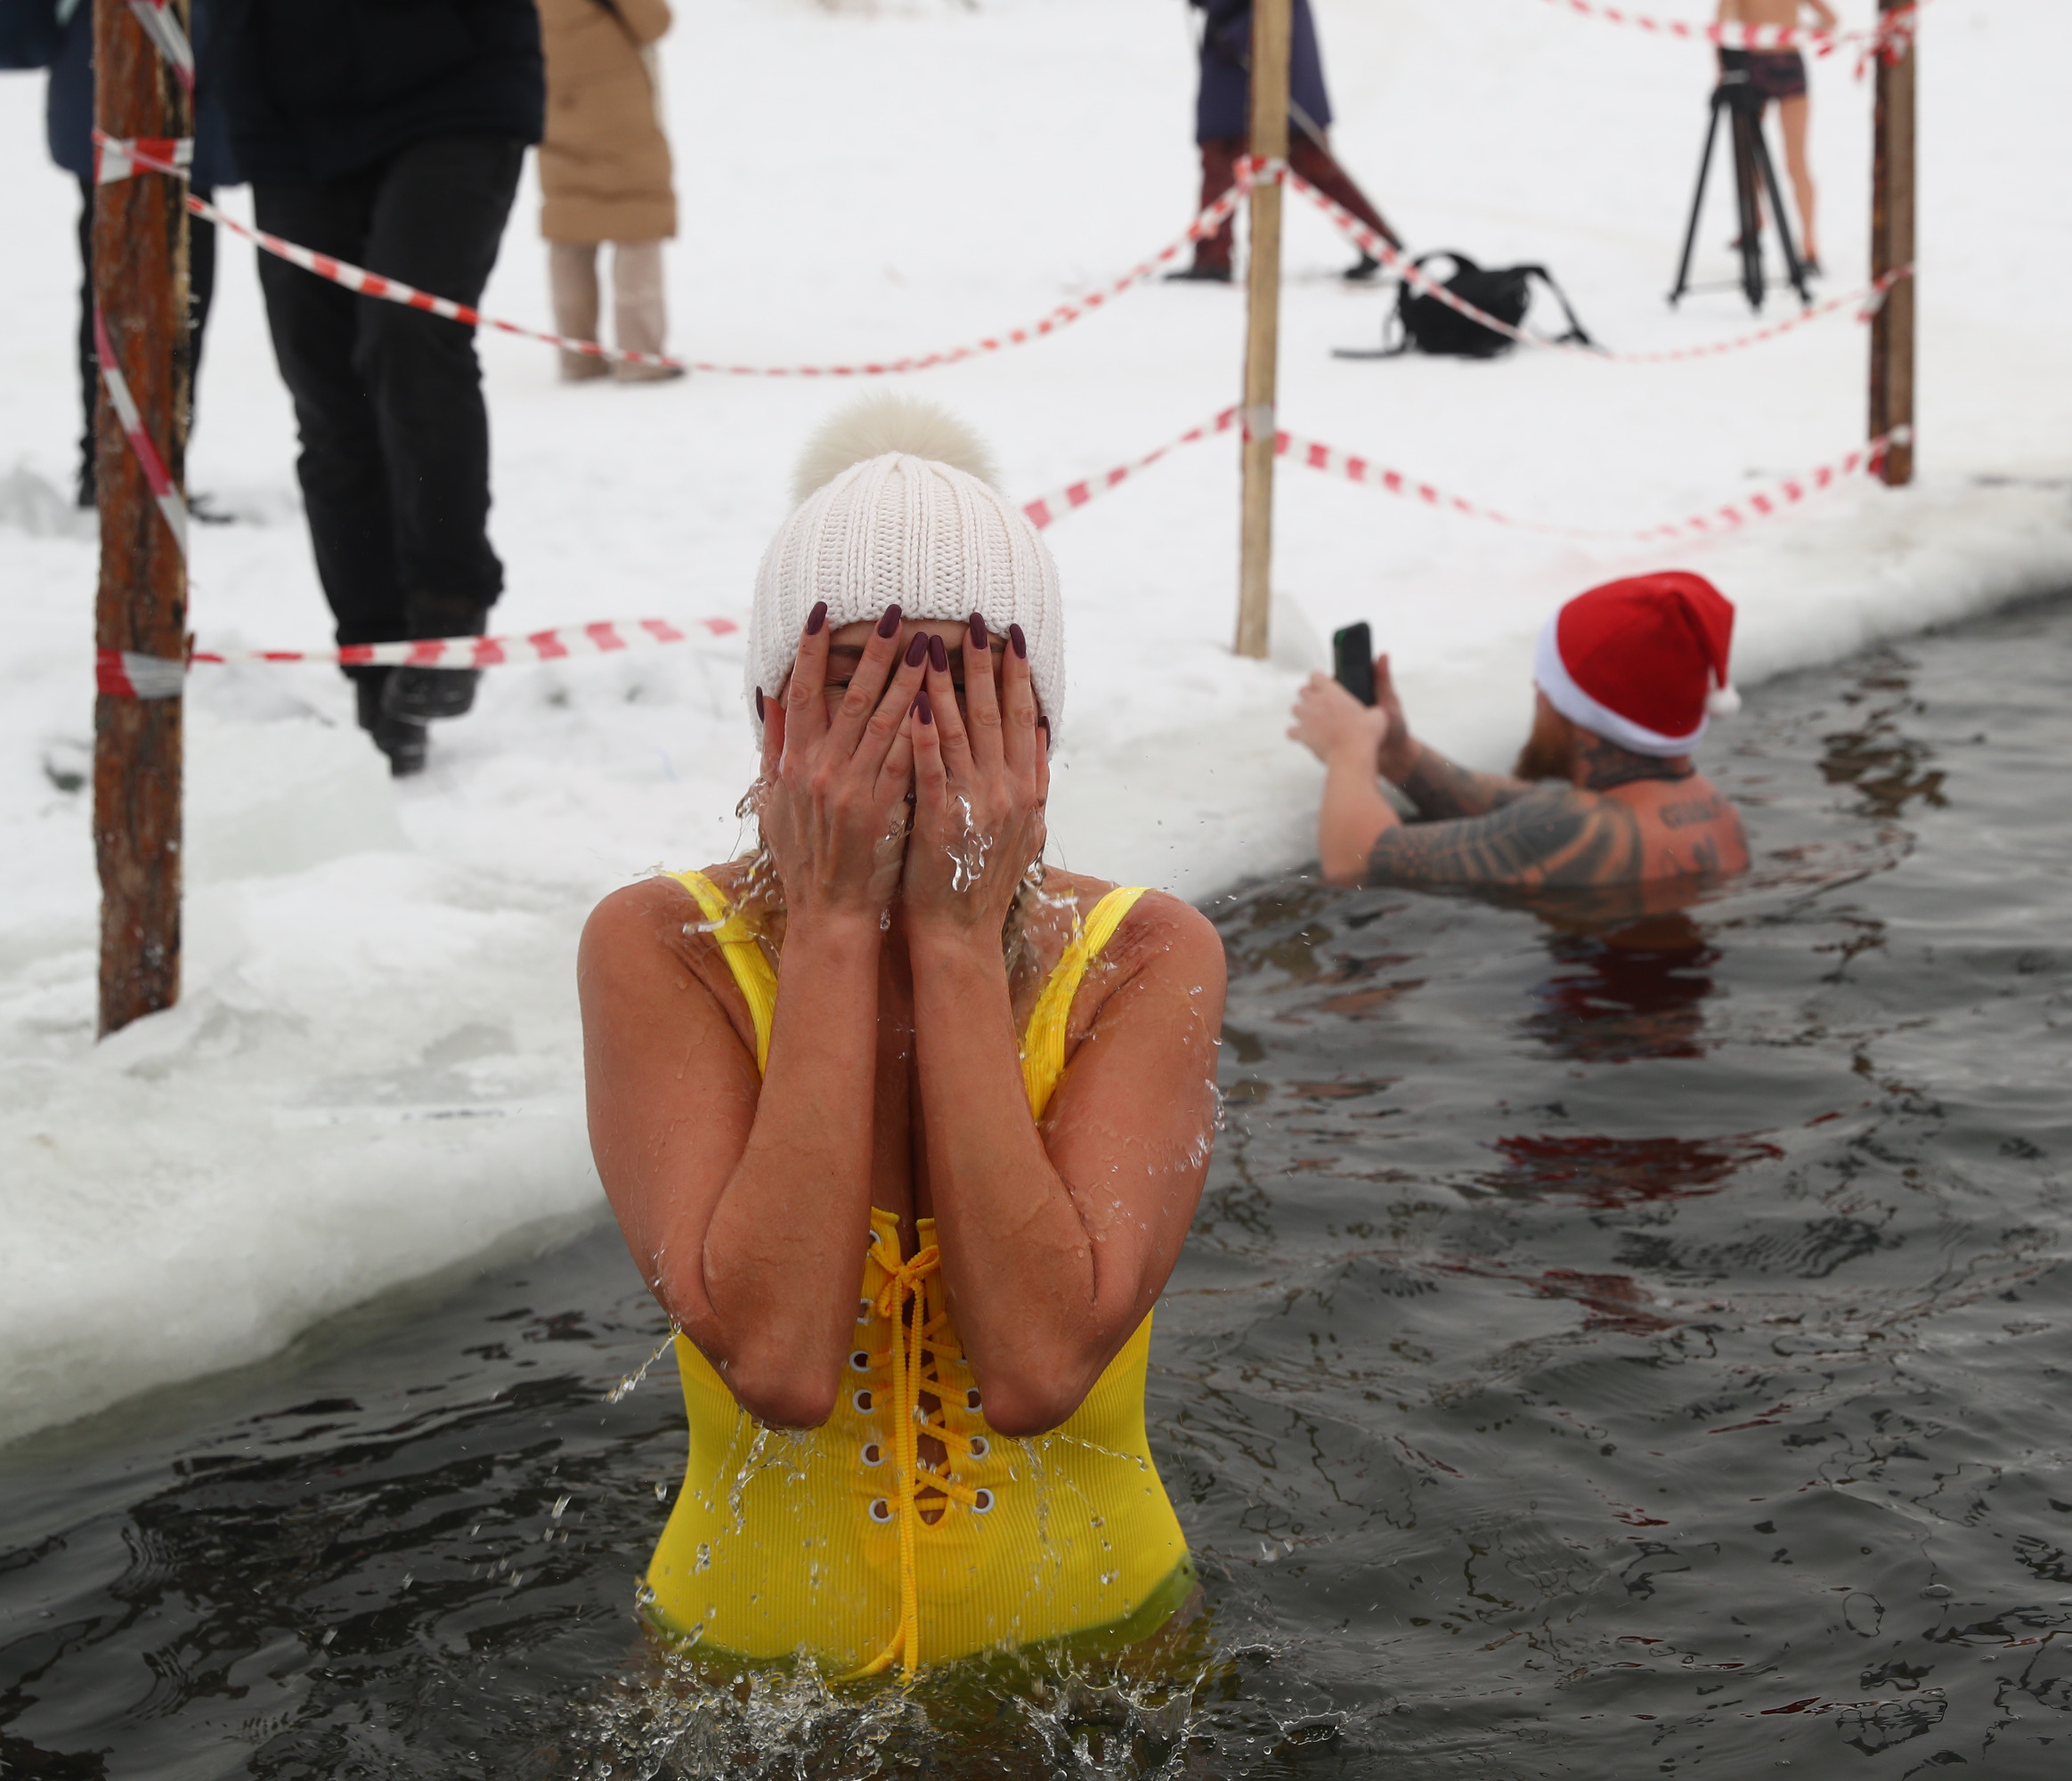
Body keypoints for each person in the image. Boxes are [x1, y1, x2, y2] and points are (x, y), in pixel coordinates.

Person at [577, 394, 1225, 1677]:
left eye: (965, 686)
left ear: (1039, 735)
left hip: (1102, 1669)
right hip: (743, 1687)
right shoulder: (662, 951)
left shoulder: (1148, 957)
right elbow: (777, 1359)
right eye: (854, 690)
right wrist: (826, 925)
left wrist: (950, 941)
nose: (911, 738)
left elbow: (1039, 1369)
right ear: (773, 724)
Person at [211, 0, 542, 776]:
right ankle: (372, 661)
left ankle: (446, 611)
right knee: (326, 397)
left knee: (409, 336)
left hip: (457, 86)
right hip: (288, 110)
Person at [1287, 573, 1751, 890]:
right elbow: (1524, 812)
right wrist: (1397, 752)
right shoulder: (1713, 810)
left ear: (1580, 710)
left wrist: (1349, 749)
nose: (1535, 691)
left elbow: (1357, 860)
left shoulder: (1574, 827)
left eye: (1546, 685)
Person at [0, 0, 234, 512]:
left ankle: (144, 466)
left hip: (183, 89)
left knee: (180, 289)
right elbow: (18, 33)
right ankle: (119, 469)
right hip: (118, 90)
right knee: (135, 287)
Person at [1174, 0, 1400, 285]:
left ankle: (1212, 258)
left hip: (1251, 52)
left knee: (1224, 159)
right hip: (1255, 51)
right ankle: (1379, 241)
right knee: (1308, 161)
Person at [537, 0, 682, 385]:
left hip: (552, 99)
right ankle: (640, 357)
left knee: (568, 225)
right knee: (637, 220)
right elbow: (654, 22)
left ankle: (577, 357)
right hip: (616, 108)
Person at [1718, 0, 1833, 272]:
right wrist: (1793, 30)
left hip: (1756, 65)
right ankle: (1806, 245)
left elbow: (1721, 28)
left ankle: (1760, 227)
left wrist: (1723, 73)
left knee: (1752, 154)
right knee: (1794, 160)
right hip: (1788, 62)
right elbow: (1830, 20)